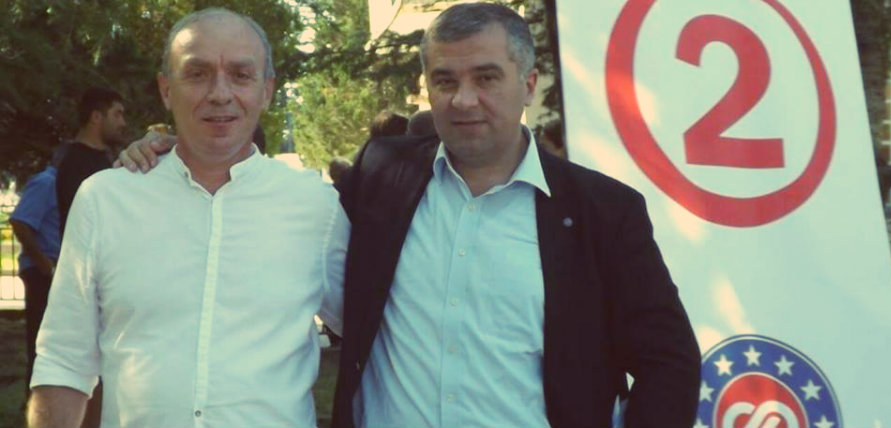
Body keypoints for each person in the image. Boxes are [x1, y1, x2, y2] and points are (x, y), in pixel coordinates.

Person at [115, 3, 701, 427]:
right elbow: (266, 209)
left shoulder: (602, 212)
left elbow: (668, 363)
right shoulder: (383, 176)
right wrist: (174, 150)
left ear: (528, 83)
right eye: (444, 81)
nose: (463, 99)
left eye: (486, 78)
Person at [28, 8, 348, 428]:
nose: (220, 93)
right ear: (166, 89)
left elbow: (376, 331)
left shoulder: (316, 207)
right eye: (197, 74)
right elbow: (63, 361)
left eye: (241, 75)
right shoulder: (106, 200)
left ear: (267, 91)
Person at [9, 146, 67, 391]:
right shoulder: (46, 182)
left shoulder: (60, 185)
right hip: (42, 272)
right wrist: (43, 263)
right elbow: (20, 222)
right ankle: (34, 399)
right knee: (42, 341)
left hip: (54, 270)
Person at [56, 87, 127, 236]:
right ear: (96, 117)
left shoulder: (104, 159)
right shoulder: (75, 163)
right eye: (117, 114)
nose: (123, 123)